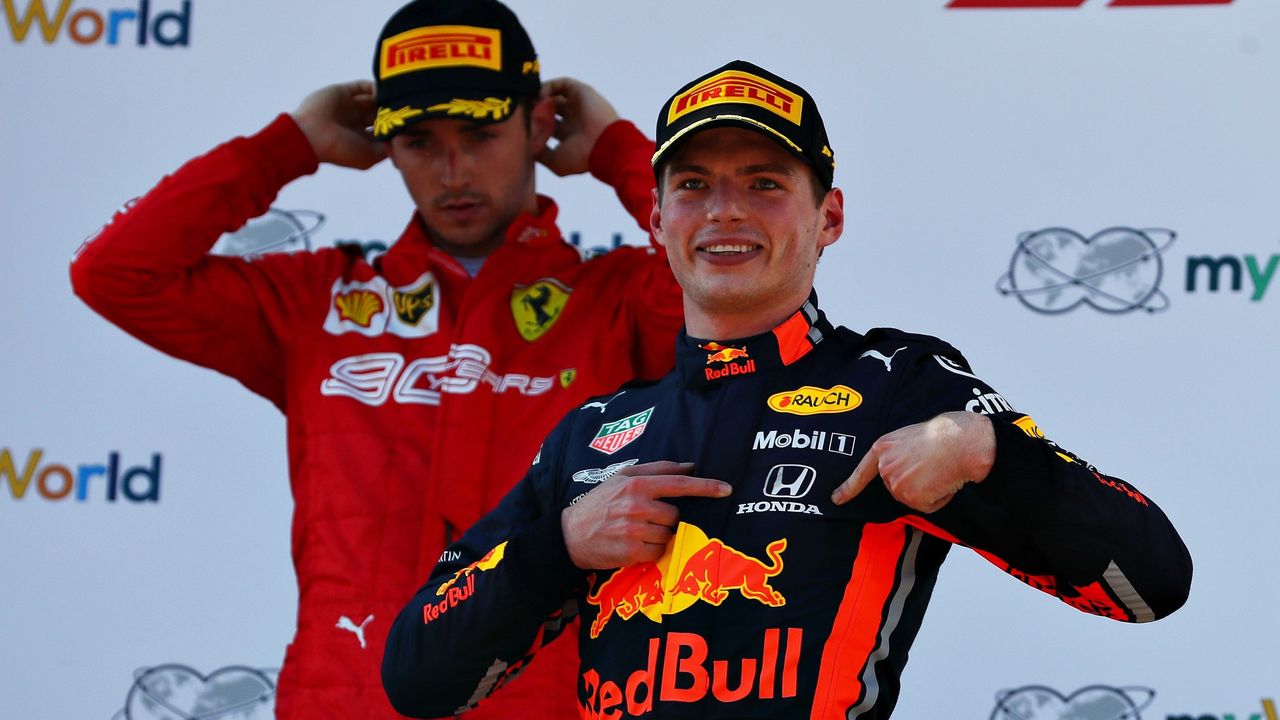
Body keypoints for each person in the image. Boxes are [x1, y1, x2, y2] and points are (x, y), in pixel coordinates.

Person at [380, 60, 1193, 719]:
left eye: (765, 183)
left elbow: (1152, 583)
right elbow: (419, 681)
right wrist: (556, 551)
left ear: (828, 217)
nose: (725, 212)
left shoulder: (898, 383)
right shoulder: (595, 431)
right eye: (693, 185)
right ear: (658, 220)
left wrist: (989, 454)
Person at [69, 0, 683, 718]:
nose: (453, 169)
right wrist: (285, 146)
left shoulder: (621, 300)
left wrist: (619, 149)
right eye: (419, 141)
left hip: (552, 701)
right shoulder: (314, 303)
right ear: (386, 144)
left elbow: (733, 280)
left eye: (481, 133)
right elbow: (114, 275)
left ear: (540, 122)